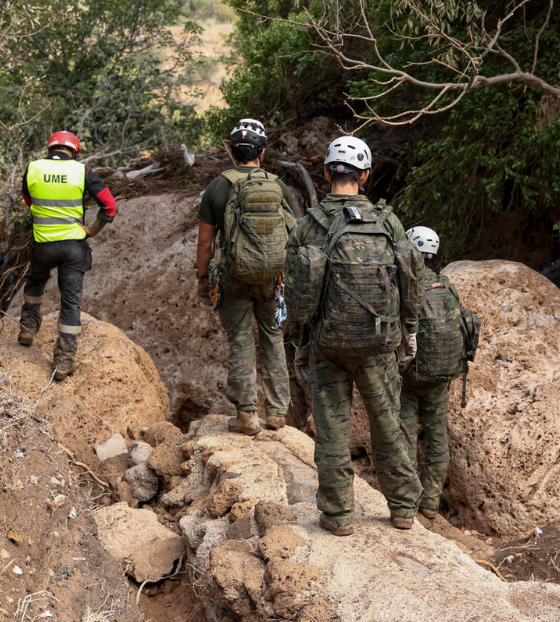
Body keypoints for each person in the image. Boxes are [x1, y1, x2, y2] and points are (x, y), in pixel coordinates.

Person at [284, 135, 423, 535]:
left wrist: (299, 342)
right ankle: (401, 509)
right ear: (364, 175)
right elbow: (410, 281)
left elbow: (296, 292)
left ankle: (339, 515)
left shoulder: (307, 225)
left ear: (327, 172)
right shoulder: (389, 222)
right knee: (388, 425)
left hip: (328, 346)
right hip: (380, 345)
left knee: (331, 430)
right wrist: (408, 332)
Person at [196, 118, 301, 434]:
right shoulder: (277, 185)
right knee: (272, 337)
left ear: (231, 150)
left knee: (240, 338)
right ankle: (278, 412)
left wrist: (203, 280)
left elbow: (205, 242)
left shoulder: (217, 187)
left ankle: (246, 415)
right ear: (263, 151)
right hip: (272, 279)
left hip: (234, 279)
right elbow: (295, 234)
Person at [18, 131, 117, 378]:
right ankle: (64, 360)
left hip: (43, 244)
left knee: (35, 279)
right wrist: (92, 231)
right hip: (73, 247)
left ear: (49, 149)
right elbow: (110, 205)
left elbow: (29, 201)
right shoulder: (82, 171)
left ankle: (28, 327)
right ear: (76, 151)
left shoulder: (33, 168)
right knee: (71, 302)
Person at [397, 226, 463, 520]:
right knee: (437, 439)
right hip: (440, 376)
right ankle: (430, 504)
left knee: (405, 436)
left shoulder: (405, 284)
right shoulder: (446, 285)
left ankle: (407, 504)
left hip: (409, 376)